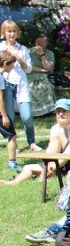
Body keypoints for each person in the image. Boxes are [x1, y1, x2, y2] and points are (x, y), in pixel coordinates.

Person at [0, 99, 70, 187]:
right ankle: (12, 183)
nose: (60, 114)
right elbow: (51, 149)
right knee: (28, 168)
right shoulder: (56, 128)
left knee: (57, 136)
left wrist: (53, 167)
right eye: (58, 112)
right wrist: (48, 165)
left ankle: (47, 175)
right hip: (60, 162)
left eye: (64, 111)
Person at [0, 20, 37, 151]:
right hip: (5, 85)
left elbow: (29, 69)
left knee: (27, 116)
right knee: (9, 116)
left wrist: (21, 61)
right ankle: (12, 142)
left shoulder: (23, 49)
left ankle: (31, 141)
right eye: (9, 31)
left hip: (21, 84)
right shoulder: (1, 48)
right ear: (4, 33)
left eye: (14, 31)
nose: (12, 34)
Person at [28, 34, 56, 117]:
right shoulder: (29, 52)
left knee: (46, 82)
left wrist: (42, 55)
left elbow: (49, 66)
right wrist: (43, 70)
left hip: (46, 77)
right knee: (31, 85)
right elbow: (29, 66)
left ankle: (48, 110)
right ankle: (36, 112)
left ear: (46, 43)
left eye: (42, 42)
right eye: (38, 42)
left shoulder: (49, 53)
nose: (39, 44)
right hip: (31, 75)